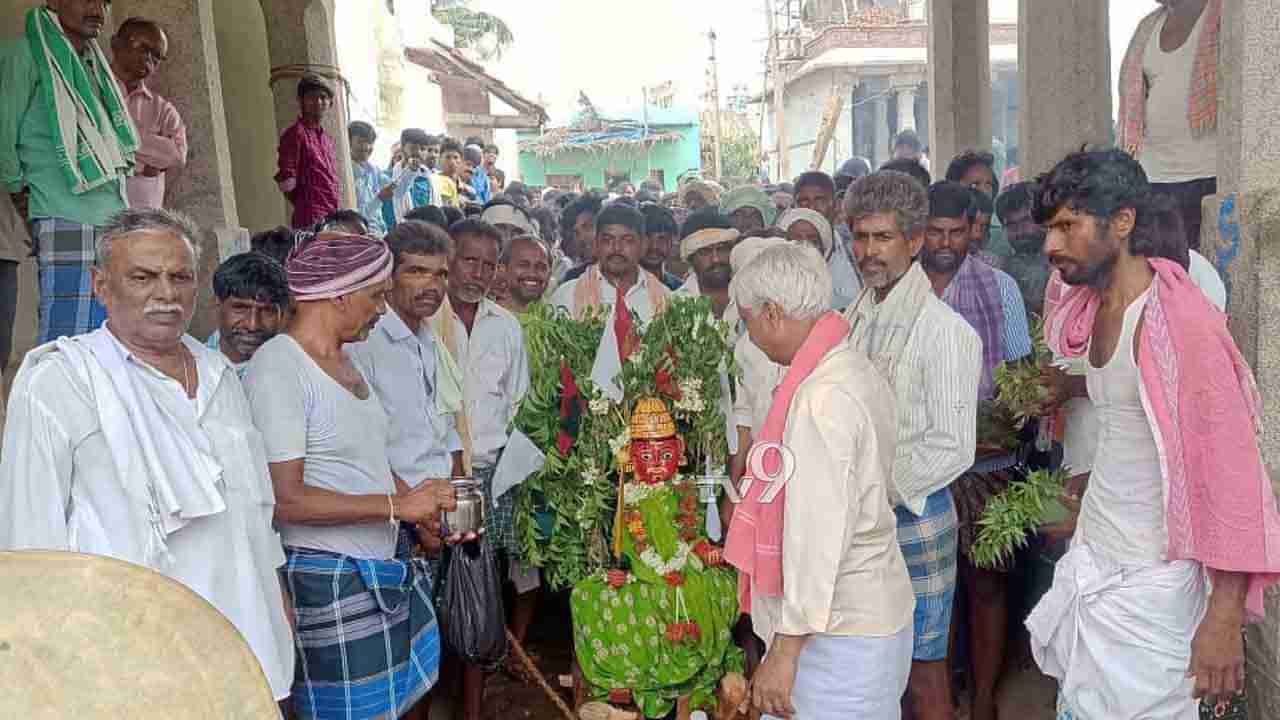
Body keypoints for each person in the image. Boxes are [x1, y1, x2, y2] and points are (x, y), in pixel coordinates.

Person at [0, 207, 294, 704]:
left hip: (246, 635)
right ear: (100, 286)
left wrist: (278, 601)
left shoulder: (220, 373)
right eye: (142, 276)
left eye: (180, 277)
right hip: (126, 654)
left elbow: (256, 513)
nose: (165, 293)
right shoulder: (59, 379)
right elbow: (31, 539)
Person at [1027, 148, 1280, 720]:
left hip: (1153, 587)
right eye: (1049, 228)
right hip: (1098, 558)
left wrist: (1222, 618)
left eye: (1067, 226)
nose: (1050, 245)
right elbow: (1133, 418)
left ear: (1122, 222)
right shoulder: (1095, 306)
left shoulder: (1178, 324)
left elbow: (1233, 475)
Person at [243, 230, 456, 719]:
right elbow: (285, 499)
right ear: (339, 294)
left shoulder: (350, 359)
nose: (383, 309)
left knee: (392, 704)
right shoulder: (279, 366)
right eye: (376, 295)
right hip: (327, 575)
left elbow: (370, 461)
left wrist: (413, 507)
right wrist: (396, 507)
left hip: (376, 565)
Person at [726, 242, 914, 719]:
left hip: (838, 633)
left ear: (772, 313)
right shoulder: (851, 366)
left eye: (747, 322)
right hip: (861, 614)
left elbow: (817, 536)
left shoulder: (820, 398)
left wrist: (786, 650)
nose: (749, 337)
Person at [842, 171, 982, 720]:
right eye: (860, 237)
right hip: (858, 520)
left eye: (883, 238)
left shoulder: (944, 330)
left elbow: (952, 448)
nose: (869, 252)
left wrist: (872, 493)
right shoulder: (856, 315)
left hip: (913, 518)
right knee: (874, 669)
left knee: (924, 673)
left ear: (915, 241)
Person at [923, 181, 1032, 720]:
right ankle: (939, 699)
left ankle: (985, 699)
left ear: (973, 230)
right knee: (931, 595)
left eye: (956, 232)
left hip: (988, 465)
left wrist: (997, 423)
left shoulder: (1000, 288)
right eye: (935, 232)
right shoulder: (904, 291)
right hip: (921, 471)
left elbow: (1020, 379)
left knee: (986, 585)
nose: (945, 243)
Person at [430, 218, 531, 720]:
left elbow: (518, 404)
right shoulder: (422, 321)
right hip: (432, 480)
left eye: (489, 264)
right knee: (434, 590)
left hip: (485, 477)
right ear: (448, 258)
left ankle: (472, 705)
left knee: (479, 591)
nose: (479, 272)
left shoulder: (506, 326)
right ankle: (435, 694)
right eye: (469, 260)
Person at [2, 1, 136, 343]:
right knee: (67, 344)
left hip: (113, 221)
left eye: (104, 1)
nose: (97, 9)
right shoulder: (24, 55)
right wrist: (23, 196)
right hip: (62, 213)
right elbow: (4, 135)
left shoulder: (95, 65)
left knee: (107, 342)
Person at [1118, 0, 1221, 251]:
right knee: (1160, 267)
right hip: (1153, 175)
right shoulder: (1148, 27)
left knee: (1203, 268)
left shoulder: (1222, 15)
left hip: (1208, 174)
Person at [110, 17, 186, 211]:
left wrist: (114, 140)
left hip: (144, 223)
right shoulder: (90, 92)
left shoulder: (163, 109)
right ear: (116, 44)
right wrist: (147, 164)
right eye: (143, 48)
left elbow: (176, 156)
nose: (149, 59)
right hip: (93, 219)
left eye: (157, 56)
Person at [207, 251, 289, 377]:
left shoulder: (293, 374)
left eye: (267, 311)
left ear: (282, 314)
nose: (253, 325)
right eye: (240, 308)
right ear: (217, 304)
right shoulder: (191, 366)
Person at [275, 75, 340, 229]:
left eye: (323, 97)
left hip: (333, 216)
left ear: (330, 103)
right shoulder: (295, 134)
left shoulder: (327, 139)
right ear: (301, 101)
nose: (318, 102)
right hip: (310, 219)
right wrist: (305, 202)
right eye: (311, 97)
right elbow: (286, 181)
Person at [793, 171, 862, 305]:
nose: (812, 208)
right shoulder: (785, 248)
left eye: (819, 200)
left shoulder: (856, 246)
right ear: (794, 206)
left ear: (836, 205)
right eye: (803, 201)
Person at [996, 182, 1051, 317]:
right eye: (1011, 224)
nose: (1020, 231)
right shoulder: (1004, 272)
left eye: (1026, 220)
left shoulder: (1067, 266)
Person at [676, 225, 740, 320]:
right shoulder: (676, 302)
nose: (715, 259)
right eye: (705, 252)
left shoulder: (751, 294)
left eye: (721, 249)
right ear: (691, 259)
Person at [349, 121, 392, 237]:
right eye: (361, 142)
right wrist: (379, 199)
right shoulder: (347, 175)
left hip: (381, 232)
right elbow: (353, 217)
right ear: (348, 143)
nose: (367, 147)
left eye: (370, 142)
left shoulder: (373, 170)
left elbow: (397, 189)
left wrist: (410, 170)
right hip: (363, 237)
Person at [500, 234, 552, 314]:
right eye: (523, 265)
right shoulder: (480, 317)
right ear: (503, 269)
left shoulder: (558, 319)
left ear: (549, 274)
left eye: (541, 267)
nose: (532, 274)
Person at [557, 193, 603, 283]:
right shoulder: (574, 278)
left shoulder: (631, 271)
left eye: (588, 226)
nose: (582, 237)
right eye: (576, 232)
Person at [639, 201, 684, 290]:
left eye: (662, 239)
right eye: (647, 238)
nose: (654, 246)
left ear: (672, 242)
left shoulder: (679, 289)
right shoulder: (620, 287)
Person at [431, 137, 464, 209]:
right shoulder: (435, 180)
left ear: (461, 160)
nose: (452, 162)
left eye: (455, 157)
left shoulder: (462, 185)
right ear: (440, 159)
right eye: (448, 157)